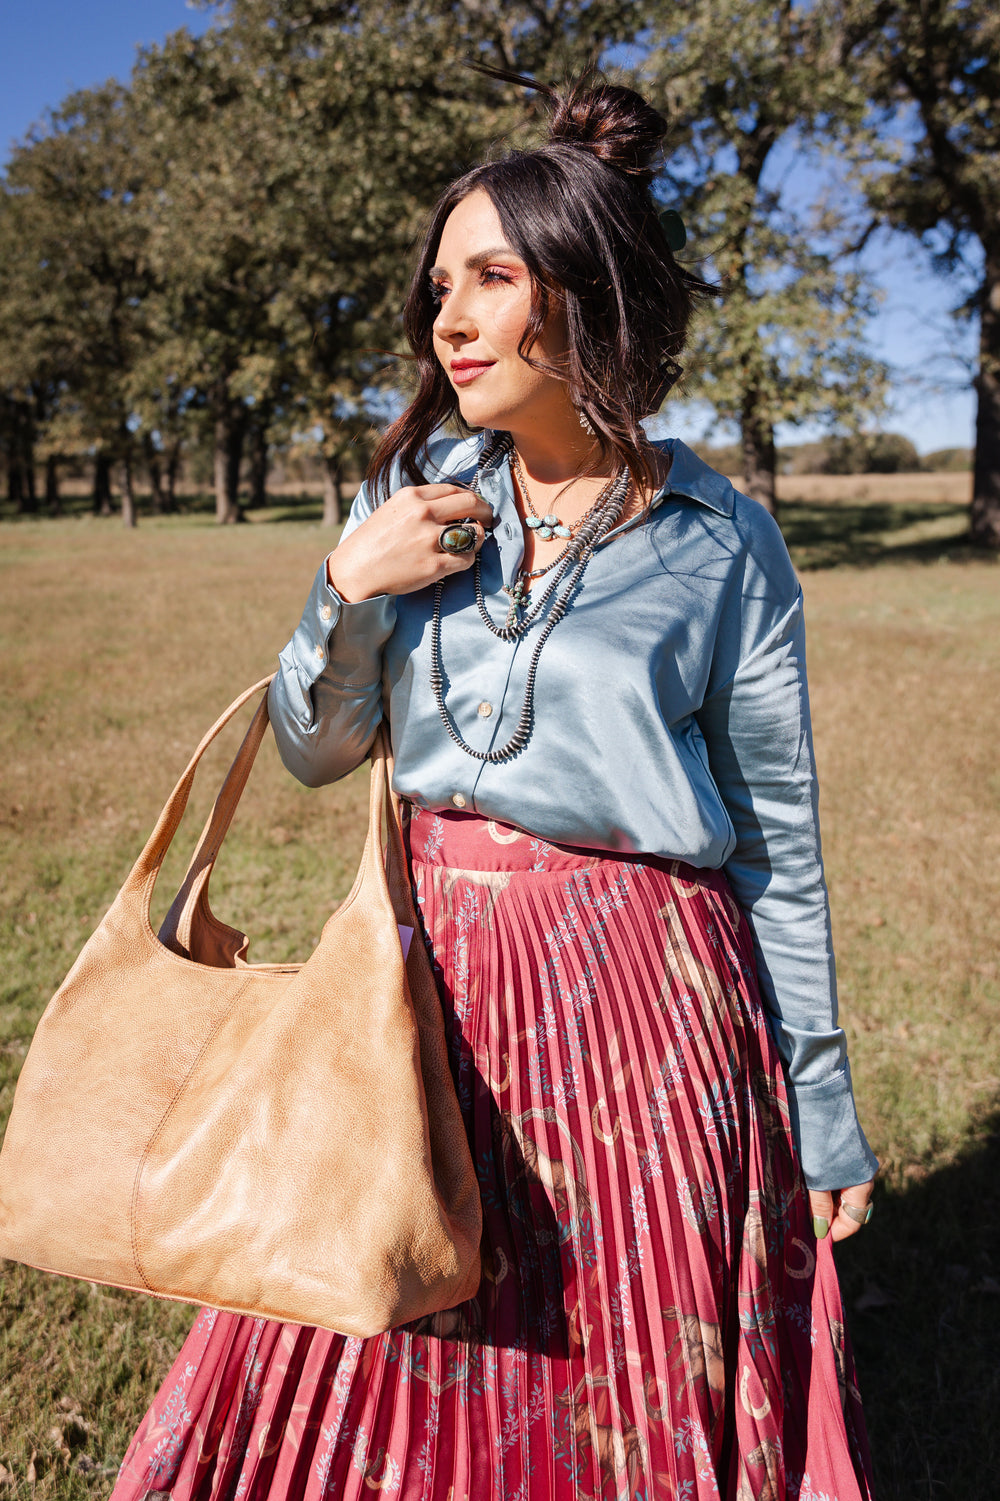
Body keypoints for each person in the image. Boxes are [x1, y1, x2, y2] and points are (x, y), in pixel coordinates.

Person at [112, 72, 878, 1501]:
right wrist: (349, 586)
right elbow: (313, 748)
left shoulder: (722, 542)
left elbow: (777, 838)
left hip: (647, 1011)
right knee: (391, 1318)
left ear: (582, 294)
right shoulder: (416, 497)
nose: (446, 319)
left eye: (491, 279)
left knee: (616, 1357)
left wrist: (820, 1109)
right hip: (429, 987)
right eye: (439, 285)